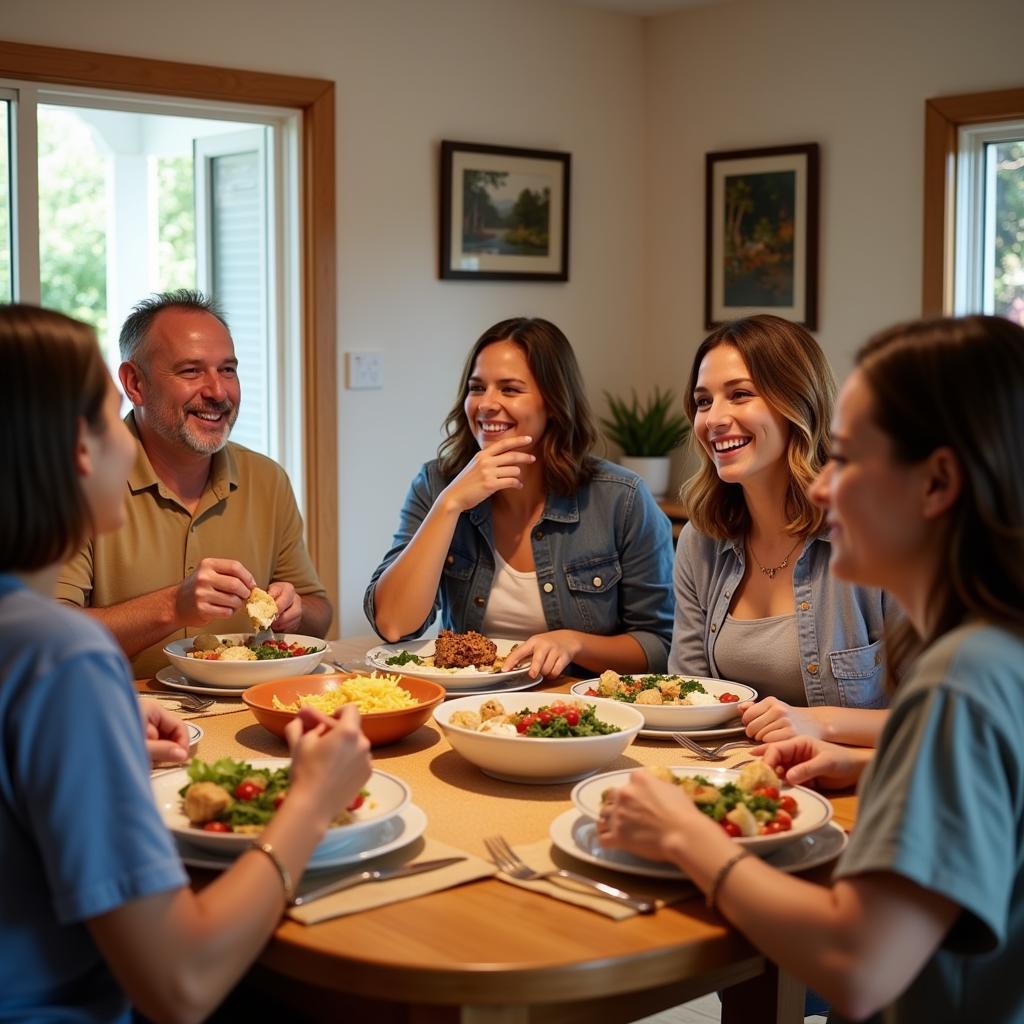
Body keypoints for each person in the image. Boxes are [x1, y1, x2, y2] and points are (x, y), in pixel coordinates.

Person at [599, 314, 1024, 1022]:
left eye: (848, 459)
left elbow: (857, 963)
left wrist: (685, 835)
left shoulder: (961, 679)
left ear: (937, 483)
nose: (824, 489)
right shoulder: (996, 650)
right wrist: (866, 763)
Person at [0, 303, 372, 1022]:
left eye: (227, 368)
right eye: (111, 415)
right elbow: (182, 984)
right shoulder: (63, 655)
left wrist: (102, 725)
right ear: (81, 450)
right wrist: (312, 802)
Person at [365, 316, 674, 679]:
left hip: (577, 709)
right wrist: (449, 506)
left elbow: (658, 647)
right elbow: (393, 625)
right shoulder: (436, 484)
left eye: (510, 390)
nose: (486, 405)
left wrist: (574, 643)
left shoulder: (622, 499)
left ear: (554, 403)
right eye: (477, 388)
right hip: (468, 705)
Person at [56, 289, 332, 678]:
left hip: (245, 714)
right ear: (134, 384)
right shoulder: (74, 480)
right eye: (191, 371)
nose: (218, 392)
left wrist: (295, 611)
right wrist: (172, 605)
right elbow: (48, 639)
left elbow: (319, 613)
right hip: (125, 714)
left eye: (228, 370)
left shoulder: (267, 479)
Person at [670, 314, 895, 745]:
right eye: (702, 401)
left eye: (740, 395)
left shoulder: (874, 535)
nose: (714, 418)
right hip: (730, 775)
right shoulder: (701, 542)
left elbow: (944, 721)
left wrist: (821, 724)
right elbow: (686, 700)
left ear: (797, 401)